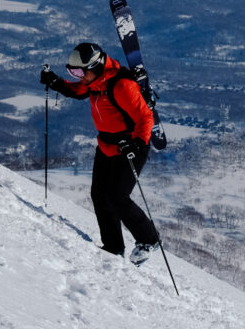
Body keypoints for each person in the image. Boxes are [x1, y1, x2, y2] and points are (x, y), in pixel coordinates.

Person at [40, 43, 161, 265]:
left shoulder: (121, 85)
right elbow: (78, 91)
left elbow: (145, 117)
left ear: (95, 67)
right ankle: (113, 247)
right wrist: (56, 82)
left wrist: (136, 144)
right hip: (106, 145)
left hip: (130, 147)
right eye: (72, 72)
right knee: (99, 195)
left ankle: (149, 240)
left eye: (78, 72)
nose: (77, 77)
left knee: (117, 197)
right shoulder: (95, 82)